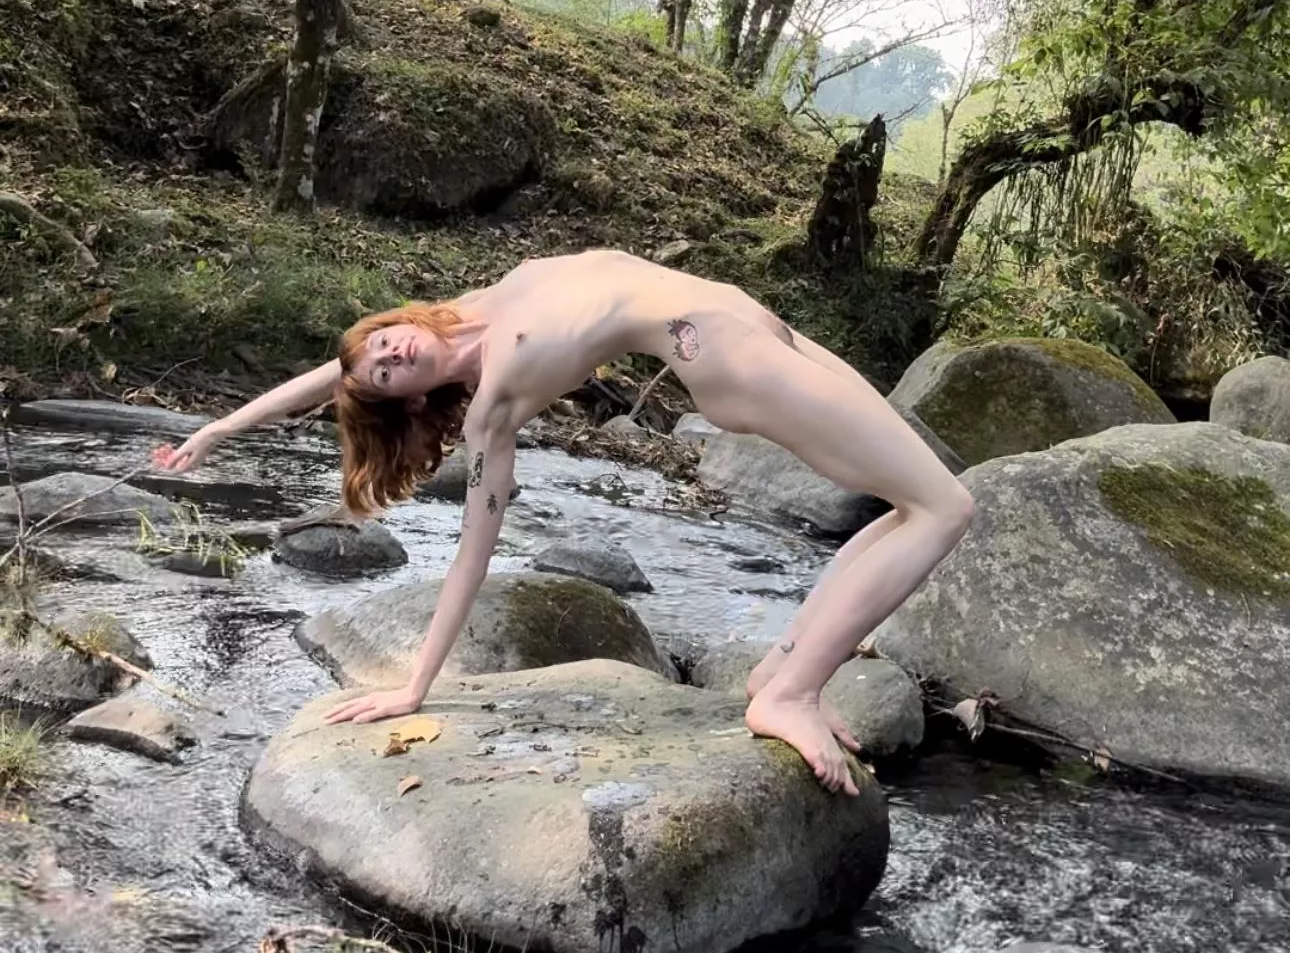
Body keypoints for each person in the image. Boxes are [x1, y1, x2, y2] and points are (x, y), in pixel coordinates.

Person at [151, 249, 971, 794]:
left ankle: (781, 669)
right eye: (384, 377)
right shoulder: (493, 403)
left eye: (383, 346)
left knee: (917, 503)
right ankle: (789, 693)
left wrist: (219, 428)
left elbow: (322, 373)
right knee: (946, 509)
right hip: (716, 353)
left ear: (396, 323)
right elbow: (476, 550)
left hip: (756, 324)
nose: (390, 358)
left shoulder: (485, 300)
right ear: (413, 402)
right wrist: (415, 685)